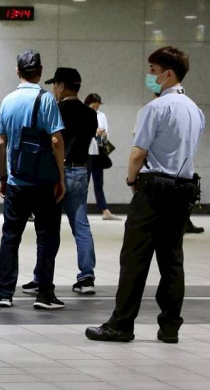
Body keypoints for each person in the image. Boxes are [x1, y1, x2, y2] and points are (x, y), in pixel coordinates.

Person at [87, 46, 204, 344]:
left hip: (153, 191)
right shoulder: (195, 109)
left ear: (167, 74)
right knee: (172, 261)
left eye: (152, 71)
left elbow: (138, 152)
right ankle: (170, 327)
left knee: (135, 259)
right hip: (183, 191)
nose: (149, 76)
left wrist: (131, 180)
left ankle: (121, 324)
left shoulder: (155, 108)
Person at [0, 50, 66, 310]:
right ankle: (45, 294)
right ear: (41, 70)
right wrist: (61, 176)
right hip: (44, 182)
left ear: (17, 71)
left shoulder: (8, 100)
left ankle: (4, 293)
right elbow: (56, 140)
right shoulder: (46, 99)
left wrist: (3, 176)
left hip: (16, 181)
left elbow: (0, 143)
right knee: (46, 237)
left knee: (10, 236)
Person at [48, 68, 98, 295]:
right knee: (81, 225)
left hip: (59, 173)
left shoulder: (56, 110)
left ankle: (43, 277)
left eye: (54, 85)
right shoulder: (91, 114)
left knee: (49, 227)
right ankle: (86, 277)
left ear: (61, 85)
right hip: (80, 171)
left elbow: (53, 142)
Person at [85, 93, 120, 220]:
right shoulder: (83, 113)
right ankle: (81, 209)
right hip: (86, 151)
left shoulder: (101, 116)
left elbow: (106, 135)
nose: (96, 109)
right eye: (94, 106)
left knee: (99, 182)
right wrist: (93, 131)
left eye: (97, 106)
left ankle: (105, 210)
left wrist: (102, 134)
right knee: (85, 182)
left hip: (98, 151)